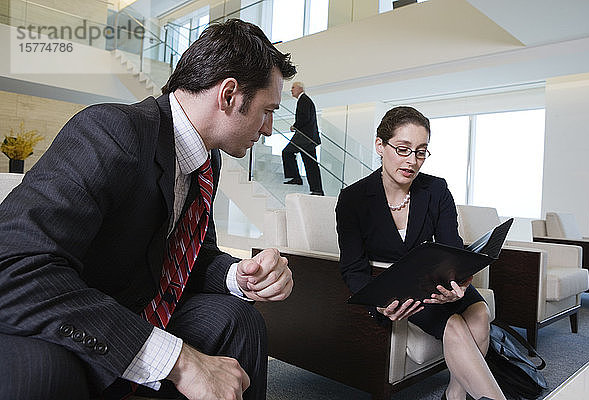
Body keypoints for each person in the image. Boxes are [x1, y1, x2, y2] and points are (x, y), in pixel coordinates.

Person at [0, 19, 296, 400]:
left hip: (139, 307)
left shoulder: (206, 161)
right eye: (267, 110)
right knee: (41, 374)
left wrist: (239, 276)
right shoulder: (111, 131)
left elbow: (191, 254)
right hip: (72, 316)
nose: (269, 128)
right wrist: (179, 361)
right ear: (228, 95)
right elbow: (13, 264)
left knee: (239, 320)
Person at [335, 106, 506, 400]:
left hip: (440, 282)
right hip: (401, 290)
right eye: (402, 149)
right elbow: (352, 267)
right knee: (453, 324)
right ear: (380, 145)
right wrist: (377, 305)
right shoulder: (354, 198)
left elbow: (452, 246)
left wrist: (459, 284)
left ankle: (455, 394)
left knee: (479, 312)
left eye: (421, 152)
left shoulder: (436, 189)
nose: (412, 161)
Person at [282, 81, 324, 196]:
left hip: (304, 138)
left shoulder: (303, 100)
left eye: (293, 87)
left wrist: (294, 126)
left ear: (300, 88)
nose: (291, 90)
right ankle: (317, 189)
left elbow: (304, 118)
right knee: (311, 164)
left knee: (287, 152)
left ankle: (296, 178)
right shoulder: (305, 100)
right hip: (308, 138)